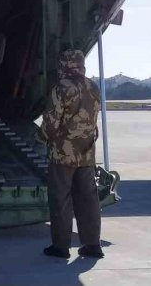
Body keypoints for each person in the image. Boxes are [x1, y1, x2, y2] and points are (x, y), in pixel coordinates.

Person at [40, 49, 104, 260]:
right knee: (88, 200)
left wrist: (41, 138)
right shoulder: (93, 87)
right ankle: (93, 245)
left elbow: (51, 122)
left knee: (61, 199)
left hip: (63, 154)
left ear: (64, 65)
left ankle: (61, 246)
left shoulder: (61, 88)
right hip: (86, 154)